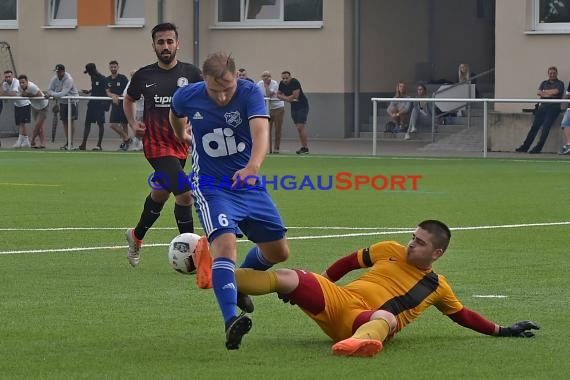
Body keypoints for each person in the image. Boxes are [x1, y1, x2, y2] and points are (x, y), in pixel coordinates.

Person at [233, 219, 540, 357]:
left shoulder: (438, 286)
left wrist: (503, 330)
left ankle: (358, 345)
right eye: (412, 237)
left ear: (437, 254)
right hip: (341, 302)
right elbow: (350, 261)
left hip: (366, 321)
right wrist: (321, 284)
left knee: (388, 318)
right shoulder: (389, 248)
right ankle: (224, 276)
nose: (410, 244)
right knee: (289, 276)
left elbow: (462, 315)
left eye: (420, 242)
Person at [170, 52, 291, 350]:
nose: (222, 96)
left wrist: (253, 167)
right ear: (204, 83)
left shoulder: (250, 91)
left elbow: (261, 132)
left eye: (227, 88)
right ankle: (230, 320)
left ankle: (235, 284)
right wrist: (181, 134)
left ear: (236, 77)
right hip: (211, 186)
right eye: (214, 90)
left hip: (248, 183)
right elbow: (175, 111)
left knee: (279, 252)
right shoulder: (188, 95)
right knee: (225, 247)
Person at [122, 22, 202, 268]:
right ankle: (192, 256)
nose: (165, 46)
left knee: (160, 193)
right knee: (185, 194)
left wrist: (197, 124)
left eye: (170, 41)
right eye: (161, 42)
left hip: (180, 146)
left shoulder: (192, 73)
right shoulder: (143, 75)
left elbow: (204, 102)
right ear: (154, 45)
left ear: (177, 43)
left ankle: (136, 236)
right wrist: (133, 122)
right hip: (156, 146)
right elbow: (129, 98)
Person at [516, 66, 565, 154]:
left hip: (553, 109)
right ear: (548, 74)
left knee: (545, 128)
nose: (552, 75)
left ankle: (538, 148)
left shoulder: (560, 83)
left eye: (554, 73)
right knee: (534, 127)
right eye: (550, 73)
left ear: (556, 74)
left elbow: (556, 92)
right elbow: (538, 92)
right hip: (542, 108)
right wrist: (550, 94)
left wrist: (545, 92)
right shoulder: (544, 82)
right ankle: (525, 147)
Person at [46, 64, 79, 150]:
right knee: (64, 121)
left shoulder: (68, 79)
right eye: (57, 72)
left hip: (72, 101)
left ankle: (70, 143)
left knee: (70, 122)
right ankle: (67, 141)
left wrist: (52, 94)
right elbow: (49, 89)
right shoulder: (54, 79)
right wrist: (52, 94)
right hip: (63, 102)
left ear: (63, 71)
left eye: (59, 72)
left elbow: (62, 93)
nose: (58, 73)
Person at [77, 63, 108, 151]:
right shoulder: (92, 77)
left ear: (93, 70)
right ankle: (83, 144)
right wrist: (89, 91)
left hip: (100, 104)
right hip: (92, 104)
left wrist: (105, 104)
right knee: (87, 123)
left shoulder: (102, 78)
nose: (89, 74)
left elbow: (106, 90)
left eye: (89, 72)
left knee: (100, 124)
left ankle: (99, 145)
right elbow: (95, 88)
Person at [278, 70, 310, 154]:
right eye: (283, 78)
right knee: (298, 128)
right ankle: (303, 147)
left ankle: (306, 147)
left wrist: (285, 98)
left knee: (300, 126)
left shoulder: (295, 82)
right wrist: (287, 98)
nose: (285, 80)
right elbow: (278, 95)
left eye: (286, 78)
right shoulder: (281, 83)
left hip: (302, 106)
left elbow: (295, 96)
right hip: (294, 106)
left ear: (290, 77)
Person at [18, 74, 49, 149]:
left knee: (38, 125)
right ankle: (43, 143)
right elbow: (21, 94)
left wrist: (28, 95)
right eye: (20, 83)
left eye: (23, 82)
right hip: (34, 106)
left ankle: (32, 140)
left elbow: (40, 96)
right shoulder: (19, 88)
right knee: (40, 127)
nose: (21, 84)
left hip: (43, 106)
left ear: (27, 81)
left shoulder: (32, 87)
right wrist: (24, 95)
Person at [2, 69, 31, 148]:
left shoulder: (16, 82)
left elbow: (13, 94)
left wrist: (6, 94)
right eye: (6, 77)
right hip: (17, 104)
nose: (8, 78)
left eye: (9, 76)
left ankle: (21, 141)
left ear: (12, 76)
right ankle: (25, 141)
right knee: (20, 123)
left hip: (24, 104)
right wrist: (2, 84)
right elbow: (3, 94)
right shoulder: (4, 84)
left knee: (22, 123)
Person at [257, 70, 285, 153]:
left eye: (268, 76)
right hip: (266, 109)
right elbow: (257, 95)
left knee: (278, 129)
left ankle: (276, 148)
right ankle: (267, 148)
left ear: (270, 77)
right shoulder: (259, 84)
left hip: (278, 108)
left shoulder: (275, 83)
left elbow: (269, 94)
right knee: (267, 130)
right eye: (264, 76)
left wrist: (266, 86)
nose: (266, 78)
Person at [106, 60, 131, 151]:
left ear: (117, 67)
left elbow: (128, 89)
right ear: (109, 68)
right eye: (111, 67)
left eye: (114, 67)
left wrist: (120, 96)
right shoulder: (107, 79)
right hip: (115, 105)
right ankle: (127, 139)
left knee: (124, 124)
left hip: (124, 104)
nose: (113, 69)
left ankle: (125, 145)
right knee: (113, 124)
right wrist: (113, 96)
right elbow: (107, 91)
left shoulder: (123, 78)